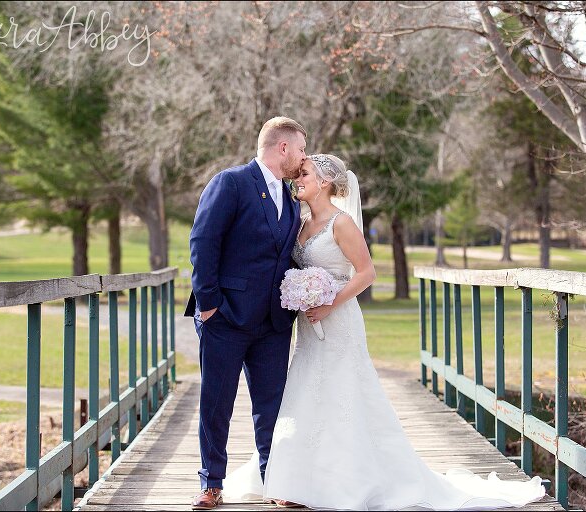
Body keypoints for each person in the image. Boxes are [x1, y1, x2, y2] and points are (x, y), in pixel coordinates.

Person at [222, 154, 547, 510]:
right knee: (305, 394)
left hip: (339, 320)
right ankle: (298, 479)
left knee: (342, 395)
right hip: (309, 325)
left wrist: (329, 301)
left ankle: (344, 481)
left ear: (325, 183)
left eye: (304, 174)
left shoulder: (341, 223)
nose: (296, 179)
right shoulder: (299, 222)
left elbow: (366, 273)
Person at [185, 117, 307, 510]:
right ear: (283, 148)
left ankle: (276, 481)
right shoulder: (231, 182)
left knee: (271, 405)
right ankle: (210, 482)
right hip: (225, 318)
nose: (303, 158)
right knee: (216, 402)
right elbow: (204, 241)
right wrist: (209, 305)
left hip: (273, 322)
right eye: (301, 149)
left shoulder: (291, 201)